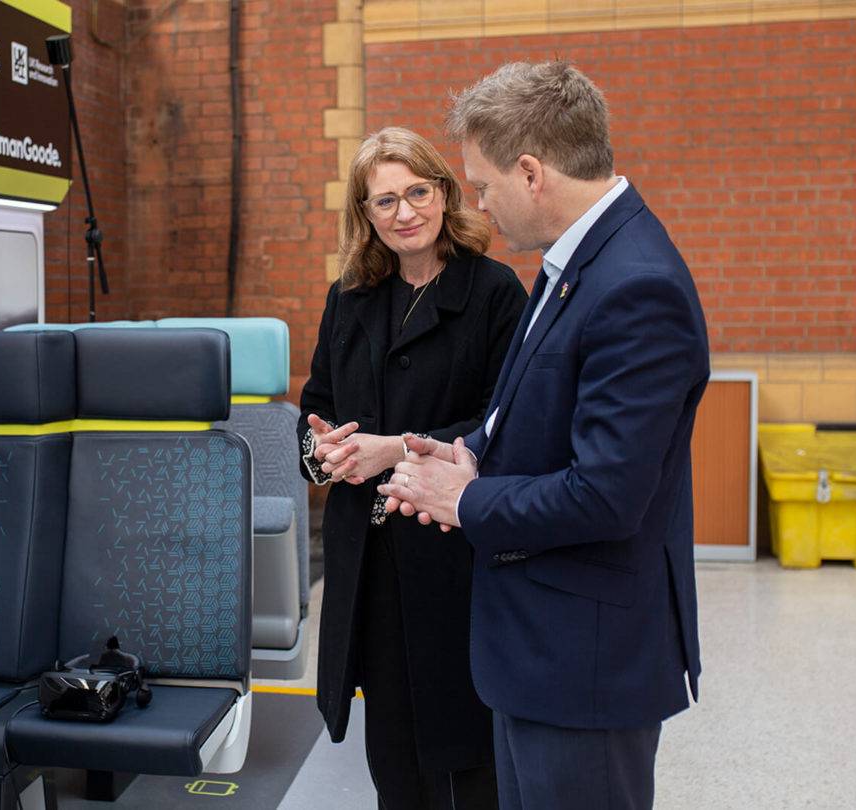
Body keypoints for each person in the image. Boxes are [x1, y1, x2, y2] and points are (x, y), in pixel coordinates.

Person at [377, 62, 709, 810]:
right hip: (537, 650)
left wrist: (467, 499)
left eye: (484, 187)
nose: (482, 207)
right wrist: (467, 454)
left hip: (585, 666)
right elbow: (529, 418)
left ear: (531, 172)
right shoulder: (572, 264)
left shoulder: (636, 285)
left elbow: (606, 495)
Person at [298, 126, 527, 810]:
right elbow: (315, 407)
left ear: (444, 193)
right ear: (365, 216)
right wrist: (321, 452)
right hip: (368, 565)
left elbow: (504, 427)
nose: (404, 213)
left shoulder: (493, 293)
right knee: (392, 760)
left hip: (452, 562)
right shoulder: (351, 297)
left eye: (416, 192)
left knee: (467, 759)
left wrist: (392, 448)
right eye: (384, 201)